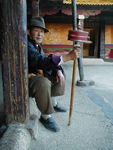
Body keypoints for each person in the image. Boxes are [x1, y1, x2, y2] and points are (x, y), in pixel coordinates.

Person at [28, 16, 80, 132]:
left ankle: (53, 103)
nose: (40, 34)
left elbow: (45, 59)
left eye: (42, 31)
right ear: (29, 32)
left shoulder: (38, 46)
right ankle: (45, 116)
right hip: (24, 81)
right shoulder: (26, 45)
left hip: (36, 76)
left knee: (58, 71)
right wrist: (67, 57)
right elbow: (40, 61)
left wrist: (58, 70)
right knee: (43, 82)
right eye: (36, 30)